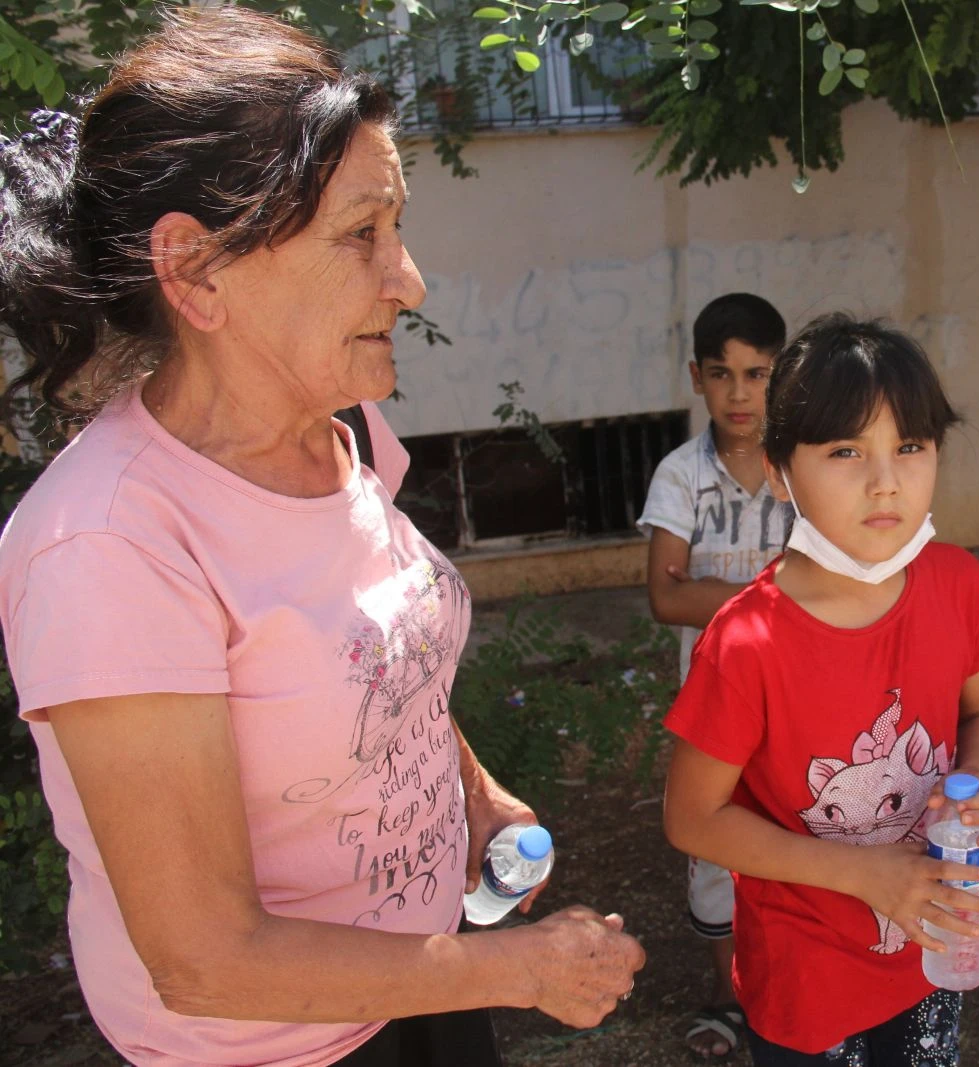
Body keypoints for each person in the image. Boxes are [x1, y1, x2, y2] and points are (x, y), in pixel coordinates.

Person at [0, 10, 643, 1067]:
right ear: (195, 268)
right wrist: (519, 966)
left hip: (420, 986)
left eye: (398, 227)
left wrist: (470, 795)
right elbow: (206, 956)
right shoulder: (108, 548)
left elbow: (377, 657)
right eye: (361, 234)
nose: (408, 279)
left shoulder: (341, 430)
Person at [660, 314, 979, 1066]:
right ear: (781, 471)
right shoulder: (747, 641)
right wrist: (863, 873)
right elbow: (692, 819)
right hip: (806, 985)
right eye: (847, 450)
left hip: (932, 951)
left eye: (910, 447)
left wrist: (976, 785)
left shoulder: (957, 585)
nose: (886, 480)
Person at [637, 291, 791, 1058]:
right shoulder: (680, 477)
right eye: (723, 374)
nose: (740, 393)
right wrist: (771, 603)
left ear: (780, 376)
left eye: (757, 374)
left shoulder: (803, 468)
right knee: (716, 850)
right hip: (714, 703)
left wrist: (726, 600)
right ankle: (732, 1001)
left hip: (798, 703)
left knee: (797, 827)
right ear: (696, 377)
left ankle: (791, 989)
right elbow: (667, 593)